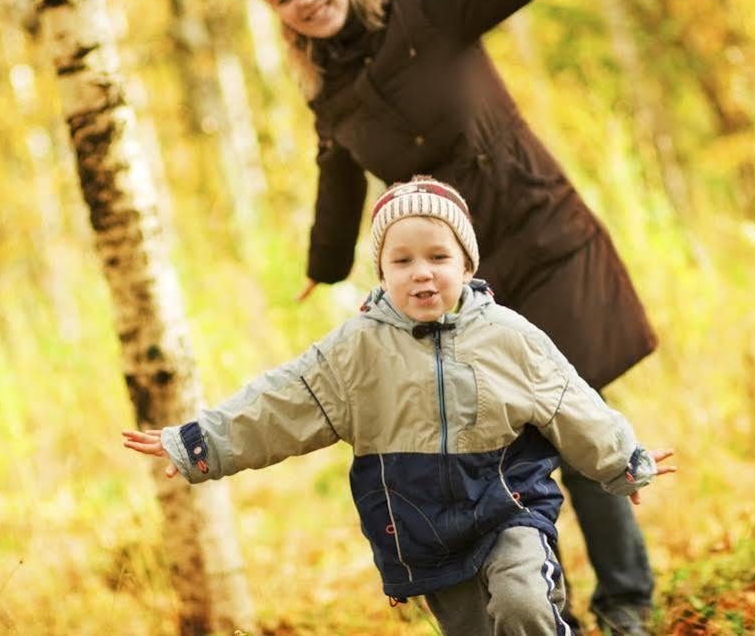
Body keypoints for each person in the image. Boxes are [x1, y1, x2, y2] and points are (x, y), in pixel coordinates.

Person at [248, 0, 660, 632]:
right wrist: (322, 264)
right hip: (459, 281)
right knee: (502, 444)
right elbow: (339, 176)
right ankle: (546, 612)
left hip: (541, 233)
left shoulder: (429, 3)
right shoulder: (329, 87)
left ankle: (625, 606)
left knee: (569, 412)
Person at [124, 179, 674, 636]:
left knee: (523, 603)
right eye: (402, 260)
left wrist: (621, 458)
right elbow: (282, 402)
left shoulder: (510, 337)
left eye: (439, 257)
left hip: (509, 506)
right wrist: (204, 442)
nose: (422, 272)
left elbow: (570, 401)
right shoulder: (357, 349)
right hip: (424, 525)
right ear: (382, 272)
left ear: (466, 264)